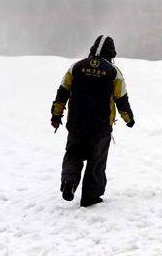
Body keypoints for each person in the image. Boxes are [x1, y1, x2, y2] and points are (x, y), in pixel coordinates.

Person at [50, 35, 135, 206]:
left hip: (76, 124)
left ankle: (69, 182)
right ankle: (90, 197)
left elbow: (62, 92)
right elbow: (121, 99)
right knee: (96, 162)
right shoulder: (113, 71)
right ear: (111, 52)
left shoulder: (76, 67)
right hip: (100, 128)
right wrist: (129, 119)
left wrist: (56, 115)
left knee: (73, 155)